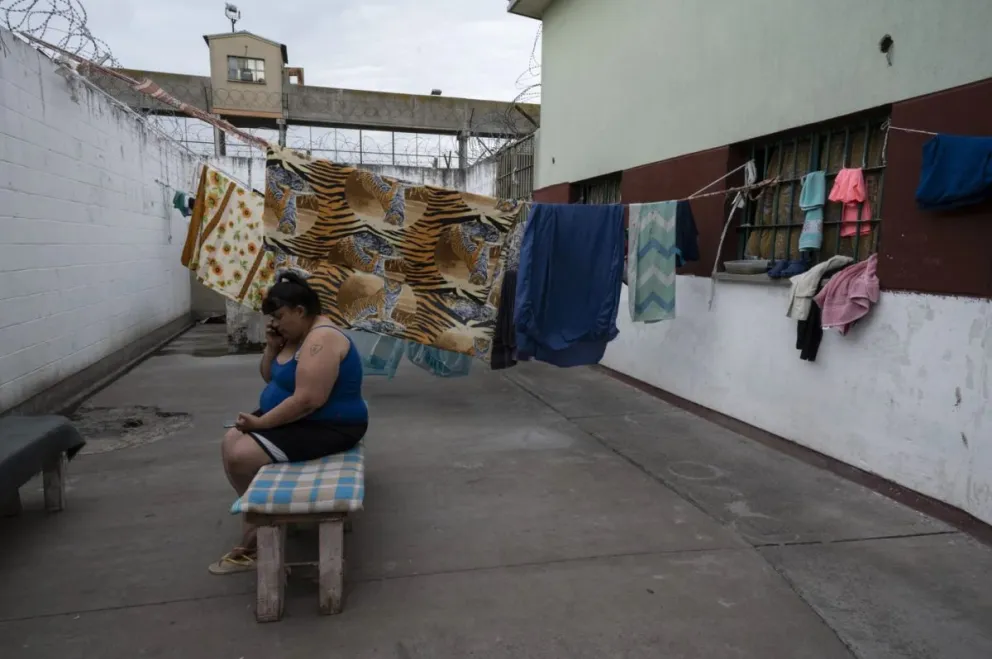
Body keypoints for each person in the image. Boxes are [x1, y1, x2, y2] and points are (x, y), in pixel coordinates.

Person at [209, 271, 368, 574]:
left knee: (241, 456)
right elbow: (272, 377)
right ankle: (262, 521)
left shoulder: (321, 339)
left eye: (280, 317)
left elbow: (309, 399)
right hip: (303, 418)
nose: (276, 323)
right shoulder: (295, 335)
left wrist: (263, 423)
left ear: (300, 311)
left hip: (330, 425)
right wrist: (271, 346)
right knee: (230, 441)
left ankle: (258, 534)